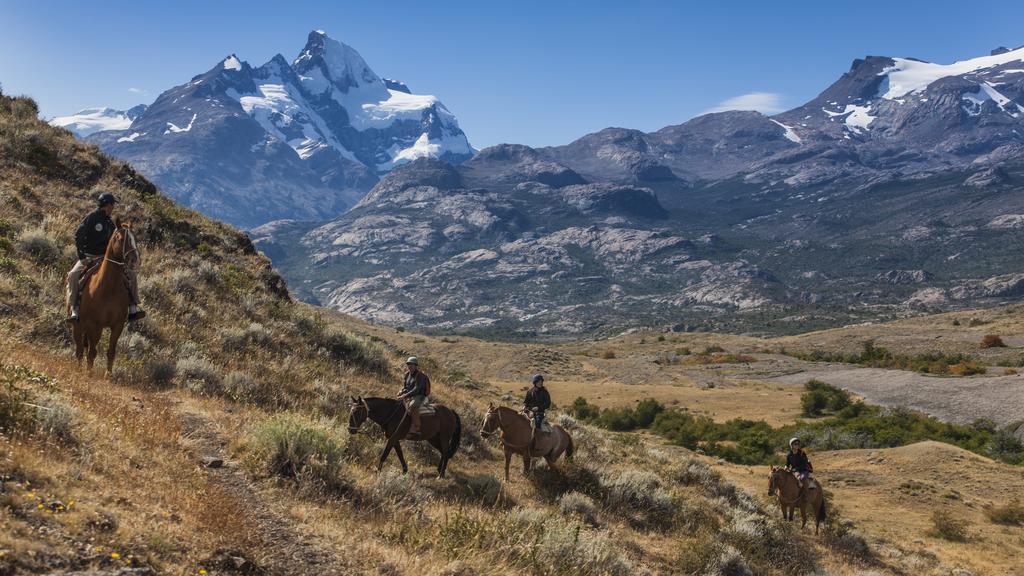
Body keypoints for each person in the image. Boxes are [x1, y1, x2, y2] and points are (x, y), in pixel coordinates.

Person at [66, 192, 146, 323]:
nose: (113, 207)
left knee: (131, 275)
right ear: (107, 205)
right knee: (74, 275)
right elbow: (78, 235)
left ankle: (133, 307)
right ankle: (74, 308)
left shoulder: (110, 223)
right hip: (89, 257)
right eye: (112, 204)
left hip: (106, 259)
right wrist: (82, 257)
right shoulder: (92, 217)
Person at [397, 356, 430, 435]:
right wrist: (401, 391)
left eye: (412, 364)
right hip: (410, 395)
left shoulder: (420, 375)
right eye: (408, 364)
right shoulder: (407, 374)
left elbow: (417, 389)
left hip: (419, 395)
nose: (409, 366)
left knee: (412, 406)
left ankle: (416, 428)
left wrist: (404, 396)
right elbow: (405, 387)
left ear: (416, 366)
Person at [523, 374, 552, 441]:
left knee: (537, 422)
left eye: (541, 382)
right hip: (528, 411)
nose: (540, 383)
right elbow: (526, 401)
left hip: (539, 413)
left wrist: (538, 408)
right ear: (535, 382)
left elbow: (548, 404)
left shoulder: (545, 392)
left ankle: (537, 439)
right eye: (539, 382)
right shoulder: (530, 392)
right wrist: (524, 406)